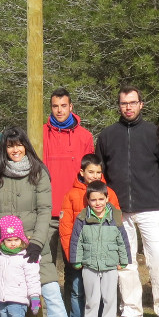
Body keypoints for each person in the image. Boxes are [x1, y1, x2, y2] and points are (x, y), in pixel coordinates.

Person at [0, 126, 86, 317]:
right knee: (6, 297)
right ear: (4, 148)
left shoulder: (39, 172)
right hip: (5, 247)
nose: (15, 149)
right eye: (10, 145)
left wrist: (37, 242)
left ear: (25, 146)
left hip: (34, 247)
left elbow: (44, 210)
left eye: (18, 145)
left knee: (51, 292)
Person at [96, 85, 159, 317]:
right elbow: (100, 175)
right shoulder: (108, 135)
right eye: (124, 103)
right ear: (119, 106)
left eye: (132, 102)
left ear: (141, 104)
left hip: (150, 206)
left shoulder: (155, 133)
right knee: (125, 262)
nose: (128, 107)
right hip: (119, 209)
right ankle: (131, 310)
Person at [58, 154, 121, 317]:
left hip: (102, 255)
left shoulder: (109, 194)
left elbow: (117, 226)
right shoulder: (71, 195)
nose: (94, 175)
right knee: (77, 289)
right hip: (79, 253)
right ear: (82, 172)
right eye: (90, 172)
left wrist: (115, 253)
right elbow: (66, 228)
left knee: (102, 291)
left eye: (98, 172)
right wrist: (73, 254)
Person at [69, 181, 131, 317]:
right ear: (88, 200)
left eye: (101, 199)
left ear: (107, 198)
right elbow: (76, 240)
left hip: (110, 265)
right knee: (92, 298)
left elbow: (122, 240)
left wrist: (124, 259)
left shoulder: (115, 217)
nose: (97, 203)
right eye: (93, 200)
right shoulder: (82, 218)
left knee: (109, 297)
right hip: (89, 265)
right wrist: (76, 259)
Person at [42, 87, 95, 265]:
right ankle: (47, 294)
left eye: (63, 105)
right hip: (47, 210)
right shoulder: (40, 134)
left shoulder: (85, 137)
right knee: (46, 263)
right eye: (55, 106)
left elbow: (91, 175)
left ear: (71, 106)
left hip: (75, 209)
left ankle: (73, 295)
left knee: (75, 262)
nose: (59, 110)